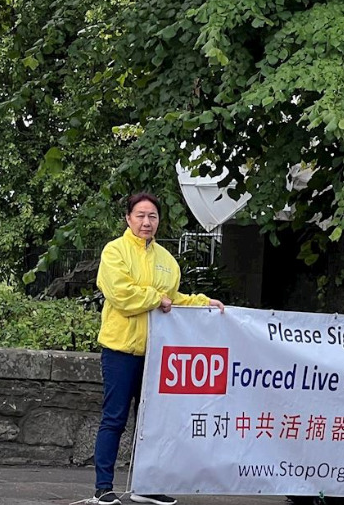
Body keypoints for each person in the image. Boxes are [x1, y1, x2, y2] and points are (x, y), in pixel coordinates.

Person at [90, 193, 225, 505]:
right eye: (140, 215)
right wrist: (155, 298)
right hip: (121, 348)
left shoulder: (167, 260)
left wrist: (202, 302)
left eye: (152, 216)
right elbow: (121, 294)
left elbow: (174, 299)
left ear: (158, 220)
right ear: (128, 218)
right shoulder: (115, 252)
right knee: (115, 418)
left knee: (152, 422)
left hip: (156, 352)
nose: (146, 222)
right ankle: (103, 487)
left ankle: (146, 485)